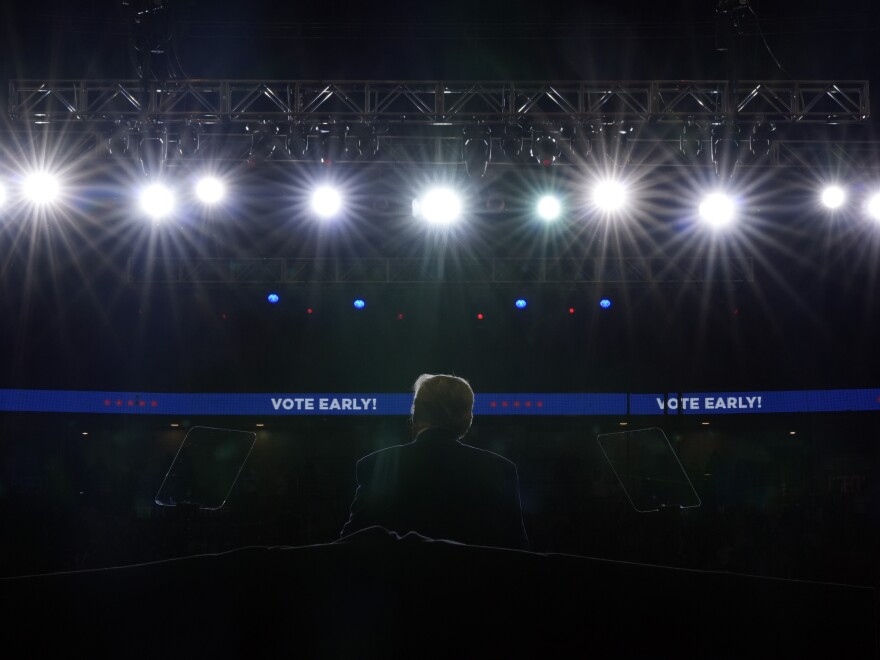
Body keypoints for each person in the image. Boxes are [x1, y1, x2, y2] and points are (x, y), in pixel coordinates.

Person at [340, 374, 529, 550]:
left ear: (416, 413)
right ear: (467, 418)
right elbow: (518, 551)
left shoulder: (376, 465)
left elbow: (350, 543)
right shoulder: (500, 469)